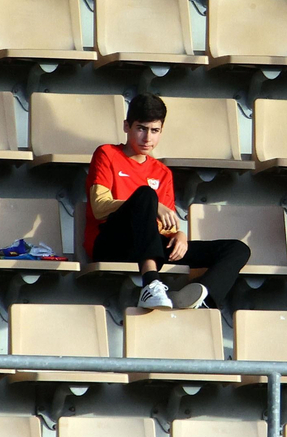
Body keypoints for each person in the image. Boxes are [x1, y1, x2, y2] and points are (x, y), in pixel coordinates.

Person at [85, 94, 250, 310]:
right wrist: (150, 204)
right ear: (127, 126)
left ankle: (204, 300)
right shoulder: (107, 153)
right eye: (141, 128)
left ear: (162, 131)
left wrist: (179, 236)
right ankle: (151, 284)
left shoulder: (162, 172)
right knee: (146, 194)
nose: (147, 138)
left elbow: (168, 225)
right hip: (112, 243)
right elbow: (99, 206)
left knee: (237, 249)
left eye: (155, 131)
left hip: (150, 244)